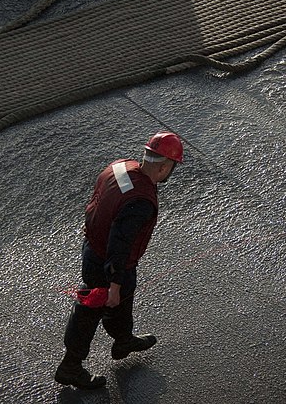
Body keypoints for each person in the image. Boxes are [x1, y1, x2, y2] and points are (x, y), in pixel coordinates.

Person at [54, 131, 184, 390]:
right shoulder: (141, 201)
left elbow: (98, 202)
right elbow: (120, 242)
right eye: (172, 167)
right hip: (109, 262)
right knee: (91, 309)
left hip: (93, 246)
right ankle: (70, 367)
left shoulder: (120, 166)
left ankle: (123, 340)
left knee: (123, 299)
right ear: (164, 167)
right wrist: (114, 282)